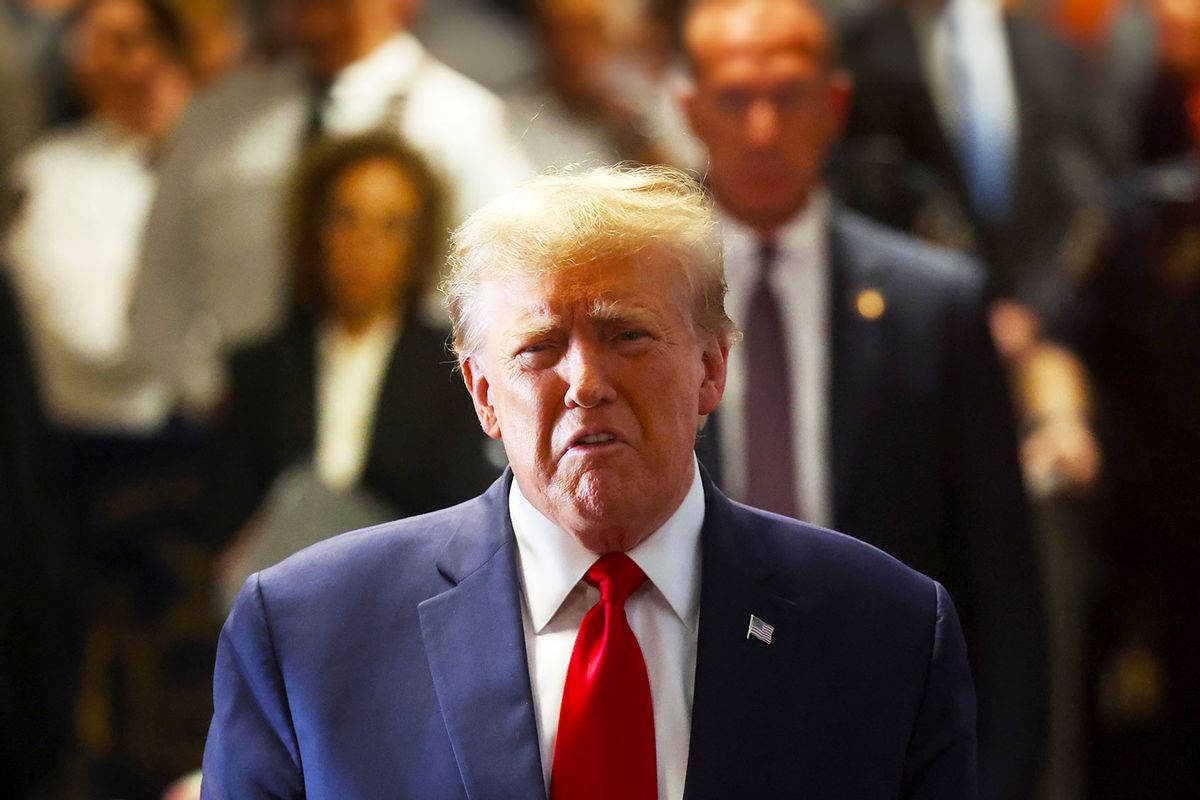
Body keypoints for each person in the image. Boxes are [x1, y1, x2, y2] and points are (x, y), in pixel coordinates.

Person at [201, 165, 978, 798]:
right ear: (481, 395)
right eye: (539, 348)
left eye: (626, 334)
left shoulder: (888, 632)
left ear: (712, 367)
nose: (584, 382)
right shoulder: (306, 633)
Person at [678, 1, 1046, 798]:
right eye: (738, 98)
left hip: (887, 727)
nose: (765, 129)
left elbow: (1003, 583)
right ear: (692, 111)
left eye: (792, 96)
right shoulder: (640, 314)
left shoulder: (933, 304)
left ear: (836, 107)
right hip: (691, 719)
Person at [129, 0, 532, 414]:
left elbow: (514, 293)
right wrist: (212, 392)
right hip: (243, 428)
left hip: (408, 430)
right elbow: (158, 282)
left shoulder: (464, 124)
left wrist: (441, 406)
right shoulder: (217, 117)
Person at [210, 133, 498, 587]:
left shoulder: (453, 369)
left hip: (409, 596)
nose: (364, 244)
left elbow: (466, 512)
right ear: (316, 231)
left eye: (390, 226)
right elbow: (227, 518)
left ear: (417, 245)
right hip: (283, 598)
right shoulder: (259, 369)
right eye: (347, 218)